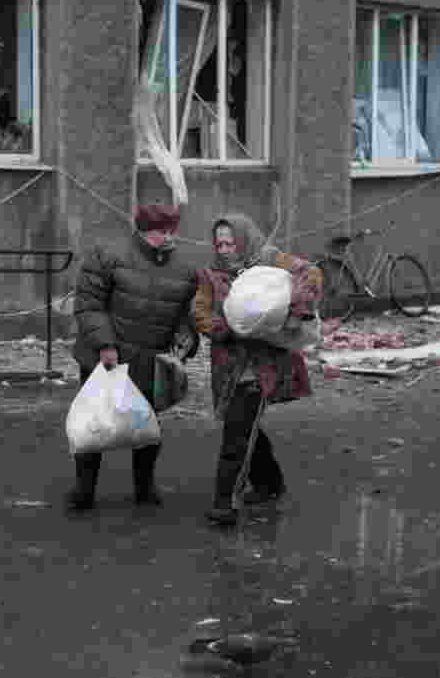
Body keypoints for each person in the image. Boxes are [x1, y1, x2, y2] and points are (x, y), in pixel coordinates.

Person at [193, 213, 324, 526]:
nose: (224, 248)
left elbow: (312, 274)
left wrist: (296, 308)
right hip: (229, 363)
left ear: (244, 238)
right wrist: (224, 327)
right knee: (241, 423)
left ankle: (224, 502)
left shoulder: (270, 259)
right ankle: (269, 483)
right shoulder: (211, 274)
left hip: (262, 364)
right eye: (219, 243)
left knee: (236, 431)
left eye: (230, 242)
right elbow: (199, 312)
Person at [67, 204, 200, 512]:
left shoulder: (185, 269)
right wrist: (104, 345)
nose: (167, 238)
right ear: (141, 230)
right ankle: (83, 490)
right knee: (94, 425)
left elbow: (186, 317)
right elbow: (89, 304)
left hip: (150, 360)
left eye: (171, 232)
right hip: (104, 356)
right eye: (159, 233)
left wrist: (185, 341)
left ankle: (144, 487)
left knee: (146, 427)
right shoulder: (108, 255)